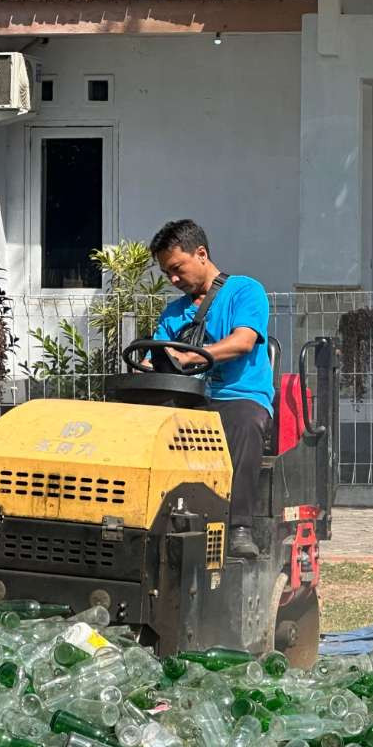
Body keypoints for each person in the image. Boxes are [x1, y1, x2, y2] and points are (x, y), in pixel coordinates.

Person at [148, 219, 273, 559]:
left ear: (200, 254)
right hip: (190, 400)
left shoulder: (246, 291)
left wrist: (190, 357)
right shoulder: (174, 312)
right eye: (166, 273)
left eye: (177, 269)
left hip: (238, 397)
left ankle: (239, 528)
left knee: (244, 423)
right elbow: (153, 358)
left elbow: (243, 341)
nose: (173, 280)